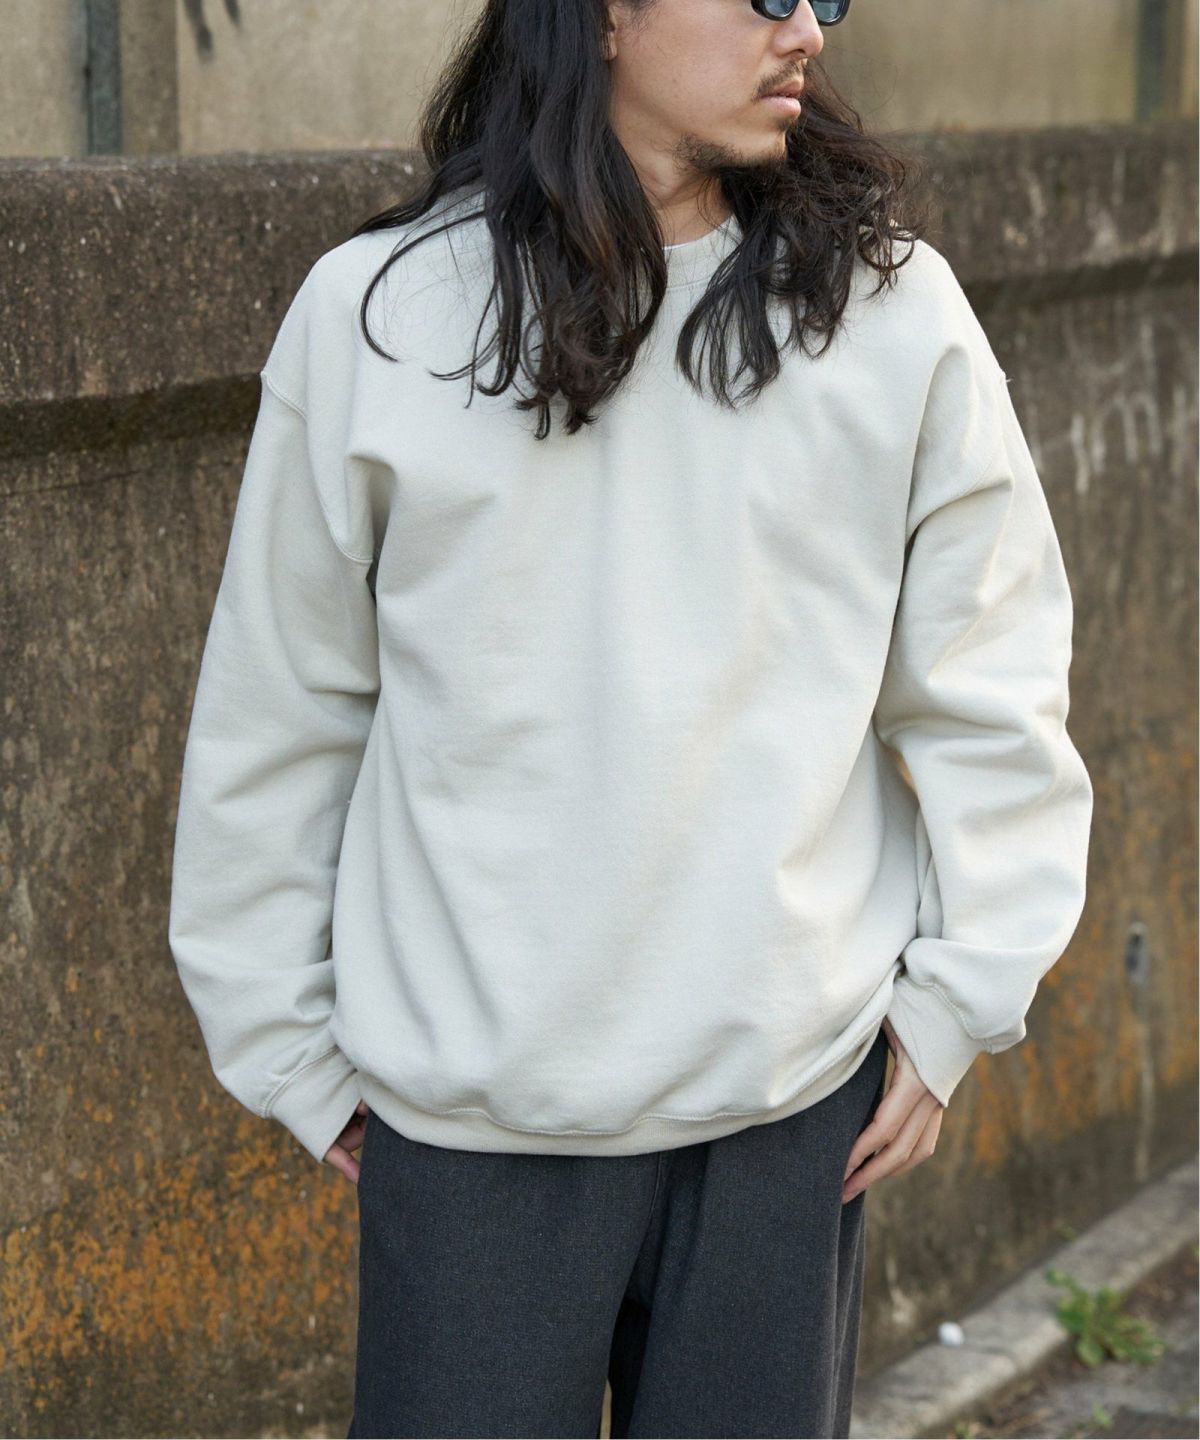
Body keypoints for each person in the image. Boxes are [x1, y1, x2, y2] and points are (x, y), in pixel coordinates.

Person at [166, 0, 1094, 1434]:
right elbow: (283, 706)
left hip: (785, 1118)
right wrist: (284, 1040)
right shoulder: (383, 319)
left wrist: (960, 998)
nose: (807, 29)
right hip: (476, 1133)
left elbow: (991, 668)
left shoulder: (889, 312)